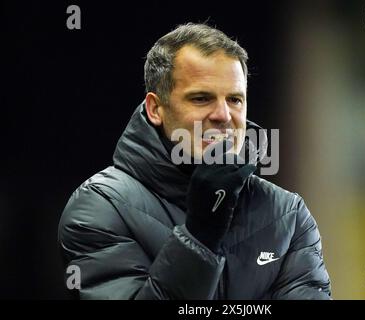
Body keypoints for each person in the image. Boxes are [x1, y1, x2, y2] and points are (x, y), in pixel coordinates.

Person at [58, 23, 331, 300]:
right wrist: (200, 234)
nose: (223, 115)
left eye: (235, 99)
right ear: (155, 109)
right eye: (201, 98)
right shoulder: (99, 206)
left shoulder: (288, 215)